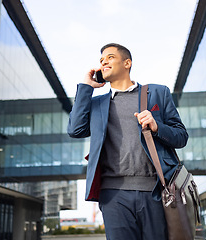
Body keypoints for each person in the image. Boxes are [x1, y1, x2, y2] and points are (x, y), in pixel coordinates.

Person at [67, 43, 188, 240]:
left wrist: (157, 126)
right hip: (113, 195)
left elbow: (181, 136)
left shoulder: (158, 93)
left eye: (110, 57)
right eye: (101, 60)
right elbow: (75, 130)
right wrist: (86, 88)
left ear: (127, 63)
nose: (103, 61)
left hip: (155, 192)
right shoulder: (96, 104)